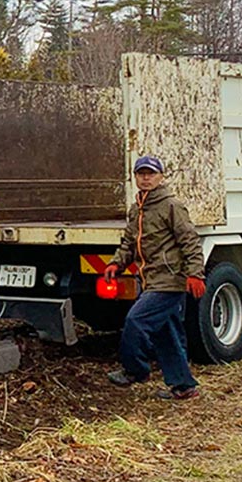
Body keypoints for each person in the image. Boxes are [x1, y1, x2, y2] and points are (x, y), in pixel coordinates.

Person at [103, 154, 206, 400]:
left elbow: (189, 241)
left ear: (161, 177)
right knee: (165, 334)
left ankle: (135, 371)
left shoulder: (171, 206)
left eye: (151, 173)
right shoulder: (137, 208)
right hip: (149, 280)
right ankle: (183, 386)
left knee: (136, 322)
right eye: (141, 173)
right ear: (135, 177)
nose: (146, 177)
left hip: (168, 282)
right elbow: (129, 242)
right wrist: (116, 264)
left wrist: (195, 274)